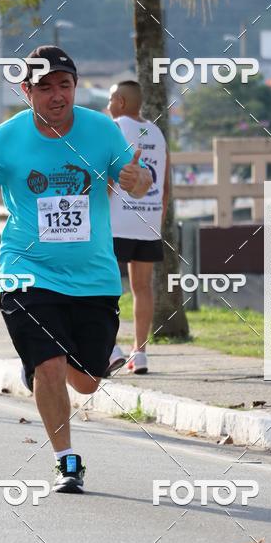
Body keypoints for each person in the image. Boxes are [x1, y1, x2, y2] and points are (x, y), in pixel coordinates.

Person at [0, 46, 151, 494]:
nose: (56, 95)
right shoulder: (5, 138)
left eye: (64, 84)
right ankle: (66, 460)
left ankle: (48, 365)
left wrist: (139, 180)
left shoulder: (101, 130)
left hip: (94, 277)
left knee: (88, 383)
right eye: (44, 87)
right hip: (28, 270)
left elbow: (137, 179)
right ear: (27, 91)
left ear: (75, 86)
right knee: (51, 365)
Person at [106, 80, 169, 376]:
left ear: (119, 101)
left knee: (106, 286)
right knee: (142, 288)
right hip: (149, 219)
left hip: (117, 220)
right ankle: (140, 353)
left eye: (109, 100)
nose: (107, 106)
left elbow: (108, 176)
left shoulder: (115, 127)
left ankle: (110, 348)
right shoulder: (157, 132)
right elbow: (165, 184)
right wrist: (158, 219)